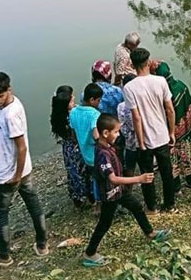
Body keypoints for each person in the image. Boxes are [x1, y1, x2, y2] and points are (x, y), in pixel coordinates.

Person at [82, 114, 171, 267]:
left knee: (136, 206)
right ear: (105, 133)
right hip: (111, 194)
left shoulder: (107, 147)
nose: (118, 135)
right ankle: (89, 253)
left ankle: (150, 233)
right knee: (104, 223)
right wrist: (139, 179)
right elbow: (113, 179)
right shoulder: (102, 154)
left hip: (119, 191)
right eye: (115, 132)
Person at [0, 71, 48, 267]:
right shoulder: (13, 103)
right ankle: (42, 245)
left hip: (9, 174)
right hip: (24, 169)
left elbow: (21, 147)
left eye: (0, 96)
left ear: (8, 90)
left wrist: (16, 176)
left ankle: (4, 256)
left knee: (1, 215)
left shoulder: (10, 115)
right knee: (33, 205)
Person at [123, 48, 178, 213]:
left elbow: (136, 117)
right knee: (166, 172)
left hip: (144, 139)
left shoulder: (129, 88)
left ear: (133, 65)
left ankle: (152, 206)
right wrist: (172, 132)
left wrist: (140, 142)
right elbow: (169, 109)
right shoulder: (160, 81)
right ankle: (169, 205)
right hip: (162, 135)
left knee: (147, 175)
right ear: (148, 62)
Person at [155, 62, 191, 189]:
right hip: (185, 129)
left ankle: (176, 187)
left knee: (172, 159)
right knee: (188, 154)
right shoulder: (182, 86)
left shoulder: (160, 92)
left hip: (169, 132)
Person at [50, 85, 88, 207]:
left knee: (72, 171)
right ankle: (84, 194)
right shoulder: (71, 117)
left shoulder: (57, 116)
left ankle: (76, 195)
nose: (74, 100)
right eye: (72, 100)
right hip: (76, 147)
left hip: (67, 148)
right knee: (81, 170)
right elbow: (75, 135)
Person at [69, 83, 104, 207]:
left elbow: (73, 135)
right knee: (100, 179)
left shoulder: (73, 112)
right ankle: (100, 203)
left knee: (93, 177)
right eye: (98, 100)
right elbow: (96, 135)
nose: (99, 103)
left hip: (85, 153)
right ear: (92, 99)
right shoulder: (94, 114)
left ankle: (93, 200)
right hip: (95, 153)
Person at [117, 74, 139, 176]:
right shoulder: (142, 102)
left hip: (130, 143)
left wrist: (129, 135)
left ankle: (128, 188)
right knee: (146, 166)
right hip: (145, 141)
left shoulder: (121, 106)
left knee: (130, 166)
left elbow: (122, 127)